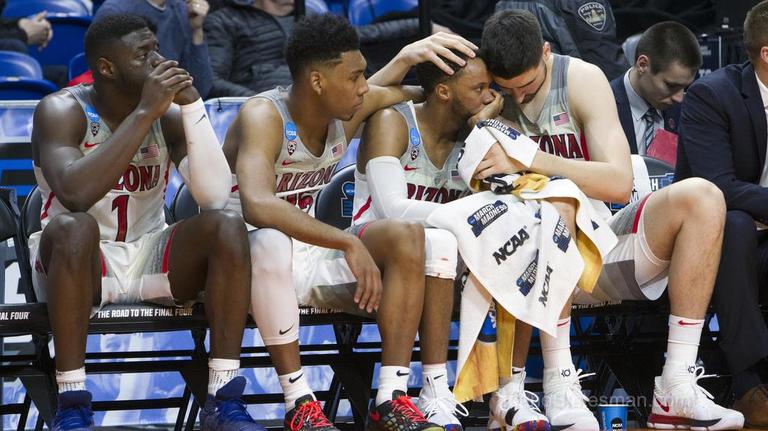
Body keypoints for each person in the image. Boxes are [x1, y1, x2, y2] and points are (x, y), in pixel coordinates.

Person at [478, 9, 742, 430]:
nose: (519, 98)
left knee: (704, 196)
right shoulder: (484, 91)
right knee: (555, 201)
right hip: (523, 260)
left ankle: (675, 386)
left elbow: (618, 183)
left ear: (546, 54)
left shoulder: (580, 78)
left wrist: (531, 158)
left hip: (601, 242)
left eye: (526, 87)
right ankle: (558, 383)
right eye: (507, 89)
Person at [222, 13, 478, 431]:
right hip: (243, 259)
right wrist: (347, 243)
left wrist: (469, 96)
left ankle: (391, 397)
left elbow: (423, 96)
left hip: (304, 249)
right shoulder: (263, 115)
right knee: (270, 240)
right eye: (356, 76)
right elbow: (257, 205)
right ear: (318, 81)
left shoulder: (346, 111)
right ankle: (298, 402)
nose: (364, 86)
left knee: (407, 234)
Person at [30, 14, 260, 431]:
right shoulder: (61, 110)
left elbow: (212, 196)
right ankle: (72, 404)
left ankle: (222, 399)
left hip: (149, 257)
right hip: (79, 264)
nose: (158, 60)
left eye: (156, 48)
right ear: (106, 67)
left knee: (226, 226)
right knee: (73, 226)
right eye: (143, 54)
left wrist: (191, 106)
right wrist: (142, 113)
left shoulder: (167, 116)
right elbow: (76, 195)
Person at [352, 52, 500, 429]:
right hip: (372, 251)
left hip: (439, 260)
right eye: (479, 88)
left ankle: (505, 393)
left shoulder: (475, 134)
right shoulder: (393, 121)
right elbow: (392, 209)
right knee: (439, 241)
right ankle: (433, 387)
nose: (489, 97)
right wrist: (464, 217)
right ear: (443, 92)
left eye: (491, 87)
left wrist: (486, 133)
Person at [675, 0, 768, 425]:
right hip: (712, 238)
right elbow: (718, 186)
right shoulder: (712, 95)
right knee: (732, 226)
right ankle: (750, 383)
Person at [609, 21, 701, 156]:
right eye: (671, 86)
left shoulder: (686, 111)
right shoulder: (603, 104)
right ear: (642, 65)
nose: (679, 98)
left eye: (684, 87)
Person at [94, 0, 213, 98]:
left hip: (170, 106)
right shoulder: (115, 11)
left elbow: (201, 89)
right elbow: (106, 89)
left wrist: (196, 30)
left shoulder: (183, 10)